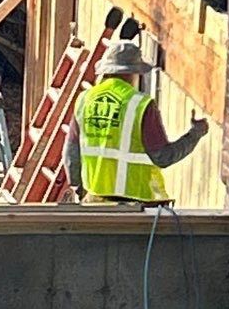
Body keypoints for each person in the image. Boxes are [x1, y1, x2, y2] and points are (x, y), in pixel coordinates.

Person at [63, 39, 207, 204]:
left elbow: (71, 155)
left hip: (95, 202)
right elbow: (163, 157)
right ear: (133, 73)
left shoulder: (85, 100)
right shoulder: (140, 105)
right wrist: (195, 134)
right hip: (136, 206)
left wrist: (81, 190)